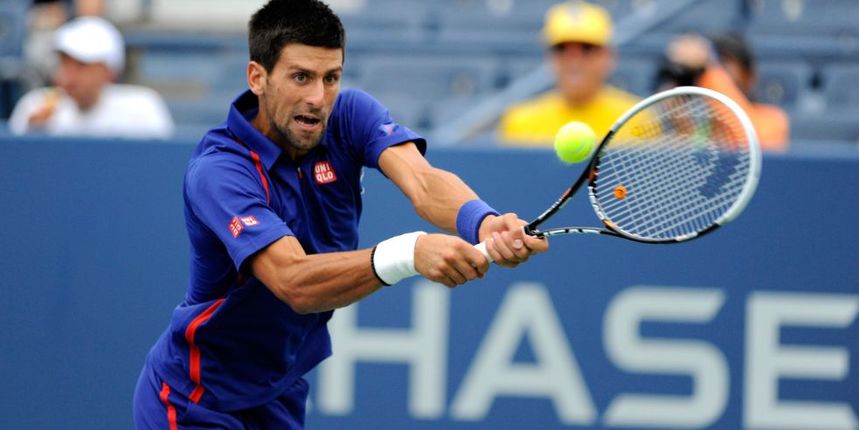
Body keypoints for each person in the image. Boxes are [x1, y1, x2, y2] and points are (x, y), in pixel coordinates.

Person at [132, 0, 547, 428]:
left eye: (331, 78)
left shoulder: (349, 115)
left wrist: (483, 221)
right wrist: (409, 252)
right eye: (300, 77)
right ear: (257, 77)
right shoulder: (220, 171)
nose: (317, 98)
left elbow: (422, 182)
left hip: (278, 389)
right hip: (196, 398)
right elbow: (293, 280)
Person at [498, 0, 639, 145]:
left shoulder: (636, 118)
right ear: (549, 58)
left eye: (587, 48)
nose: (574, 61)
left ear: (608, 57)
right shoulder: (519, 121)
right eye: (561, 48)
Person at [9, 16, 174, 139]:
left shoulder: (143, 109)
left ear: (109, 72)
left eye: (82, 65)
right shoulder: (33, 106)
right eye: (64, 62)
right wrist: (32, 136)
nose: (68, 75)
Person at [655, 32, 790, 152]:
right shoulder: (700, 130)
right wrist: (679, 120)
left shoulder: (773, 119)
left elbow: (750, 142)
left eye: (723, 62)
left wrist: (709, 71)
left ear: (749, 74)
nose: (718, 72)